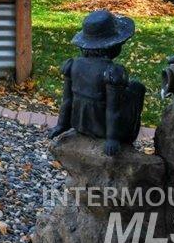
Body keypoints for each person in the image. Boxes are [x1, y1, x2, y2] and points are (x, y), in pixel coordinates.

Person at [48, 10, 147, 156]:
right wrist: (112, 139)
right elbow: (113, 109)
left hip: (79, 124)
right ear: (113, 46)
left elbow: (67, 100)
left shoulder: (72, 65)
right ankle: (120, 135)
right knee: (137, 88)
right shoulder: (112, 71)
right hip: (102, 128)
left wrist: (61, 125)